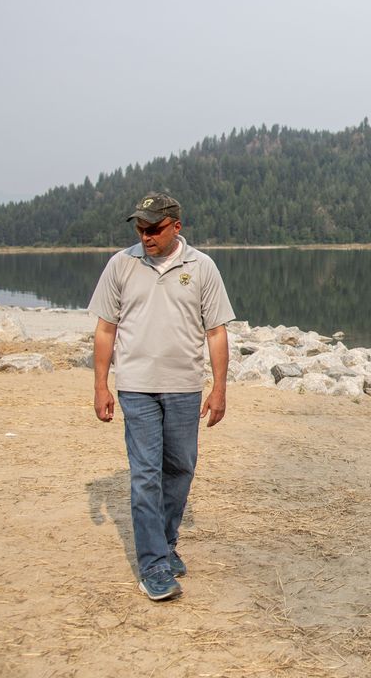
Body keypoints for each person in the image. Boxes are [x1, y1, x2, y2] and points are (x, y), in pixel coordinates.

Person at [89, 192, 235, 601]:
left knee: (181, 468)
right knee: (146, 474)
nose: (146, 236)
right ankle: (152, 564)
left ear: (176, 227)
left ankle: (167, 542)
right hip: (135, 386)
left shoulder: (202, 267)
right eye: (140, 228)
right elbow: (105, 329)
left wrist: (219, 388)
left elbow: (216, 332)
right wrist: (101, 385)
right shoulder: (121, 264)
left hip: (185, 387)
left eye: (153, 228)